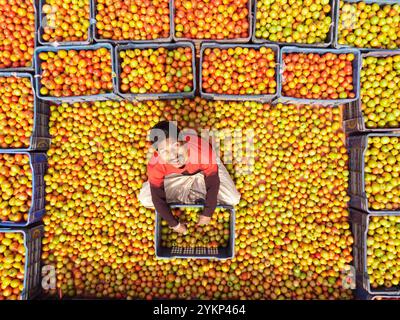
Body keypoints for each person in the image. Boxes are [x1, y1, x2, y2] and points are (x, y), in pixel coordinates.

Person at [138, 121, 240, 234]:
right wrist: (175, 224)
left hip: (202, 171)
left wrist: (208, 212)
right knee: (145, 198)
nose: (173, 155)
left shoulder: (202, 151)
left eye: (176, 146)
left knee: (233, 199)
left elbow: (213, 181)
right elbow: (157, 197)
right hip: (176, 177)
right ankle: (195, 196)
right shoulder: (155, 163)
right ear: (157, 153)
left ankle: (188, 198)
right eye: (164, 151)